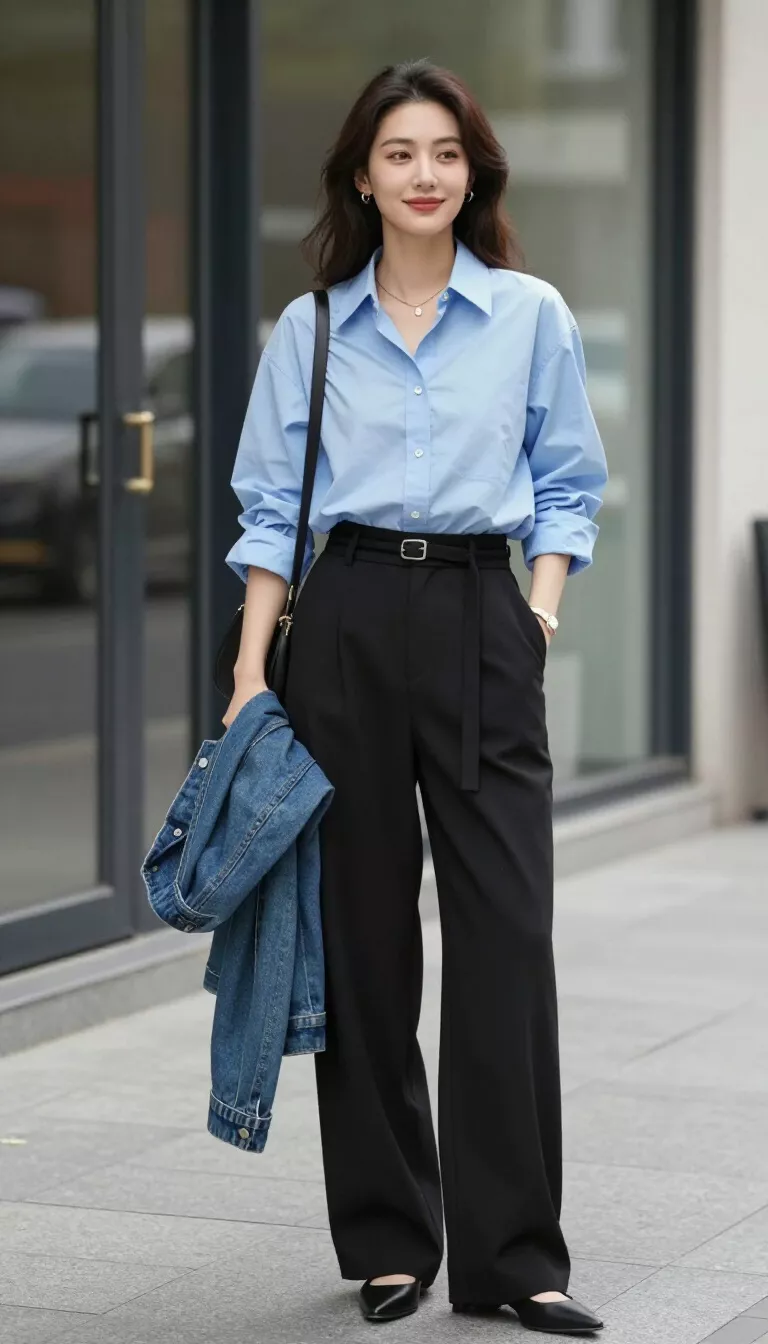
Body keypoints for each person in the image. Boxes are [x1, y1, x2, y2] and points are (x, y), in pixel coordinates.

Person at [222, 58, 608, 1335]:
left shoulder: (531, 314)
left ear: (472, 171)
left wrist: (538, 614)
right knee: (367, 939)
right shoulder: (313, 328)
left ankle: (516, 1257)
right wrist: (246, 674)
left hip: (487, 618)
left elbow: (568, 481)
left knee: (507, 932)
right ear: (361, 175)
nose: (425, 174)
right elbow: (272, 512)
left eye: (445, 152)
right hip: (344, 621)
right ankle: (392, 1239)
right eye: (400, 153)